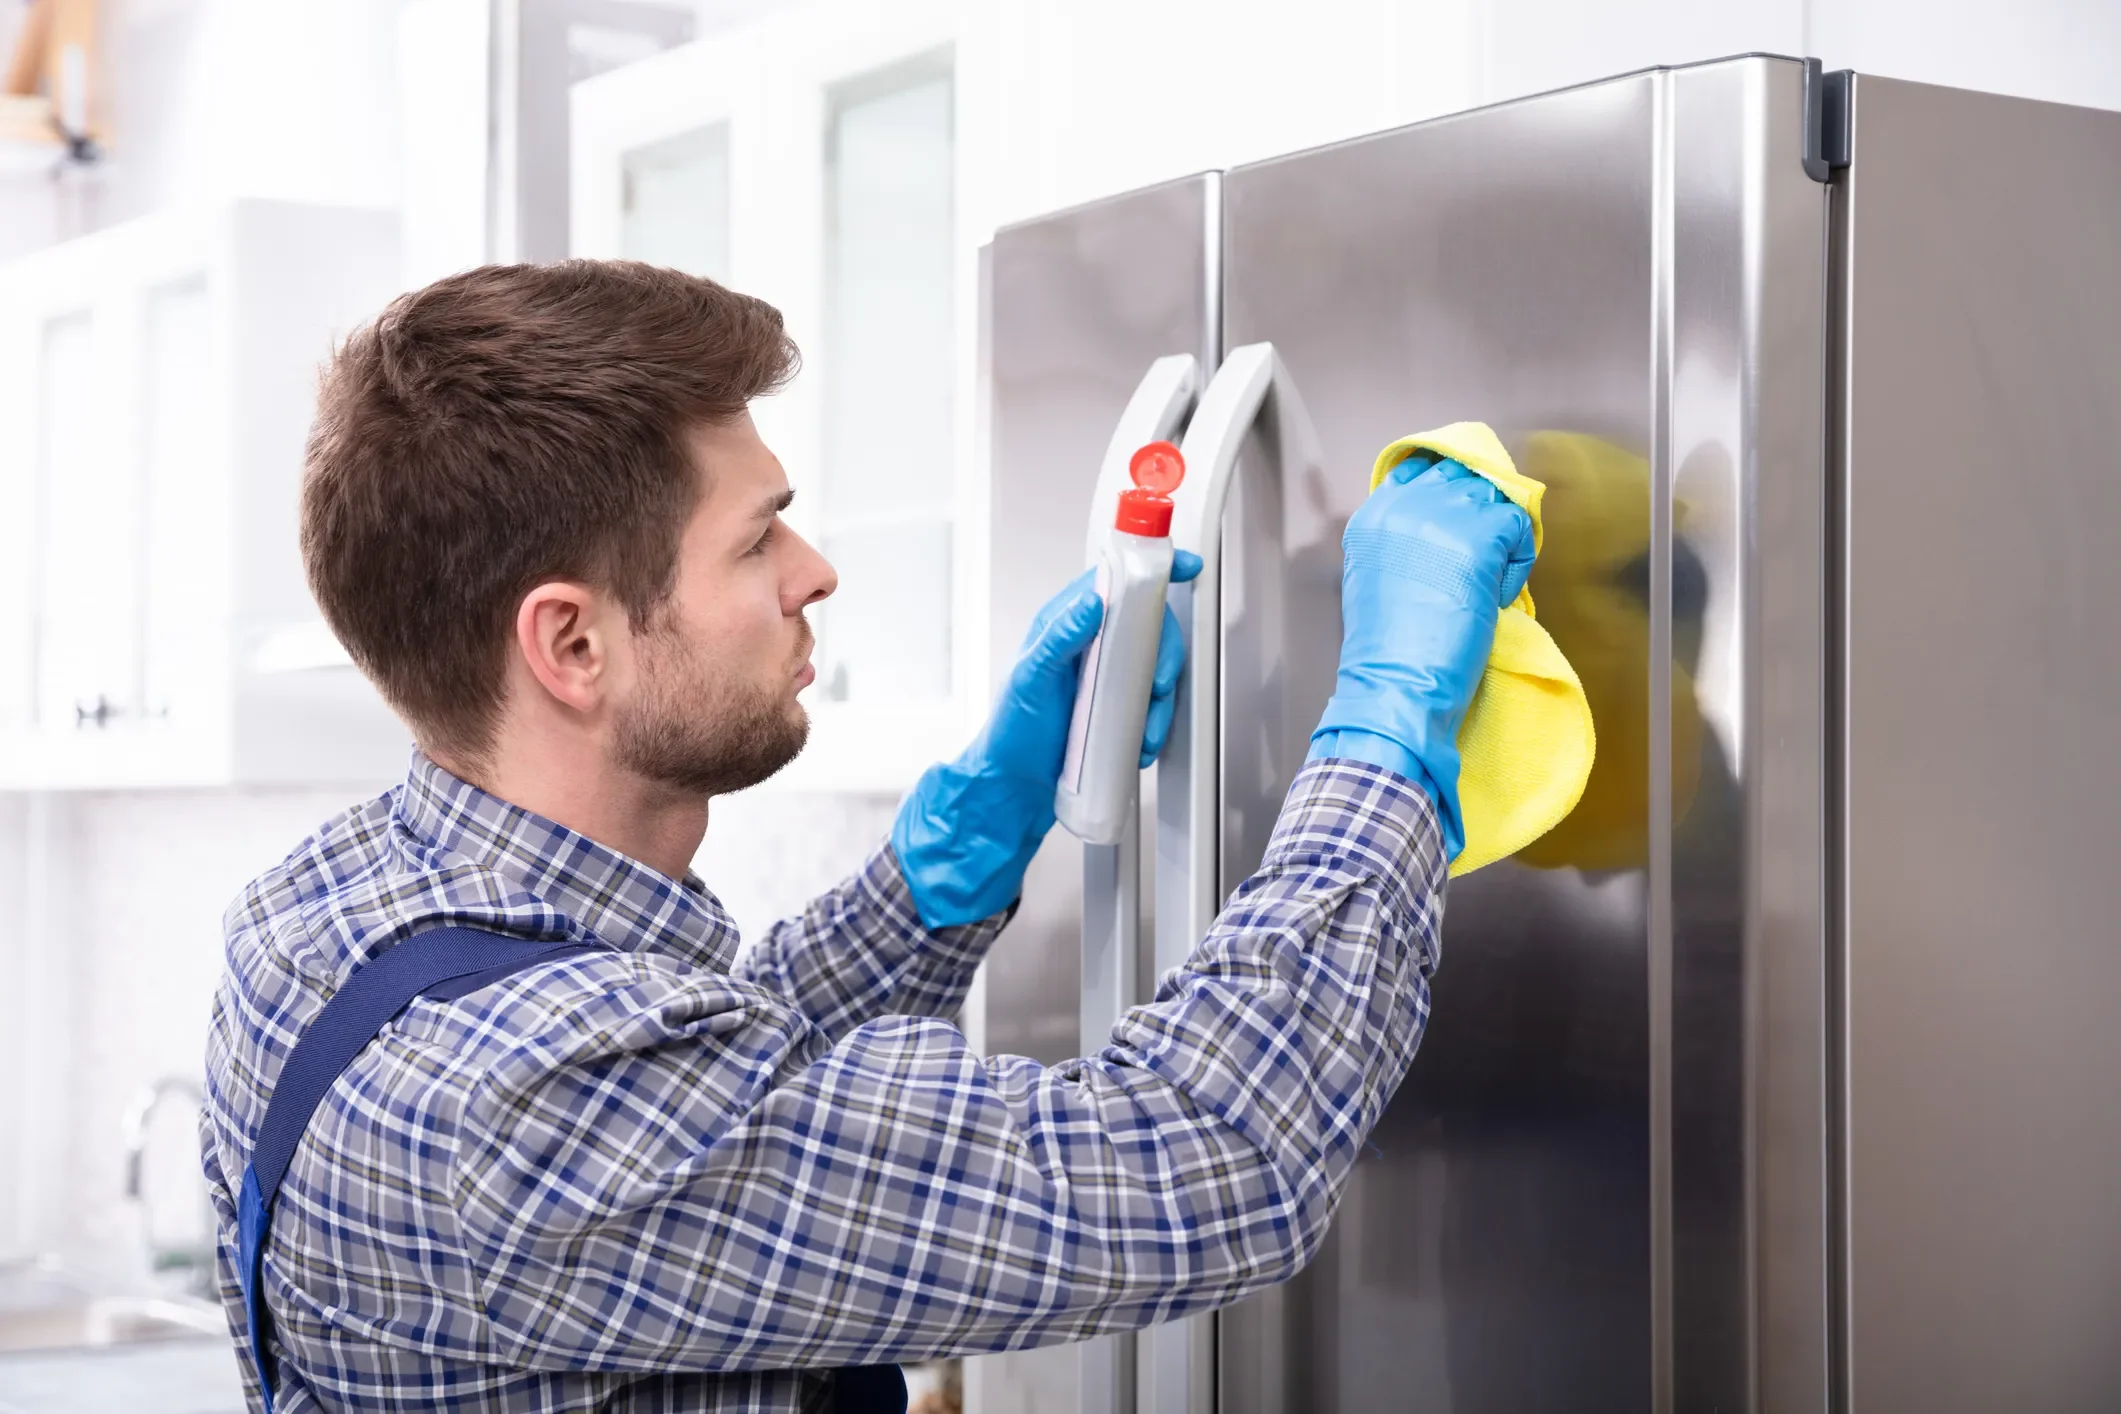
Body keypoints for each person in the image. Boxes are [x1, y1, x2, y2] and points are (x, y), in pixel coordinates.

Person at [200, 260, 1533, 1412]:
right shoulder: (519, 1107)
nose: (814, 570)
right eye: (757, 538)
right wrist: (1387, 724)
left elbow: (706, 1105)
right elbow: (1202, 1153)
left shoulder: (321, 911)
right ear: (572, 642)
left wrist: (946, 867)